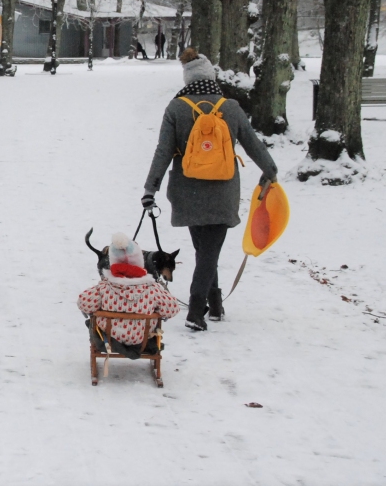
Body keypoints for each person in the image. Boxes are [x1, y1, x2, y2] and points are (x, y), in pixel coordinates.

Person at [142, 47, 278, 331]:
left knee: (205, 250)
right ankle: (196, 311)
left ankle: (214, 304)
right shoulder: (230, 107)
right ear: (211, 76)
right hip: (223, 191)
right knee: (209, 252)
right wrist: (270, 171)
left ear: (187, 79)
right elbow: (253, 144)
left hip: (186, 191)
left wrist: (150, 188)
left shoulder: (176, 108)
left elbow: (162, 151)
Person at [78, 234, 180, 358]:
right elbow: (172, 309)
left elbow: (83, 303)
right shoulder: (153, 288)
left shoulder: (104, 287)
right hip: (143, 340)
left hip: (109, 339)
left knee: (91, 322)